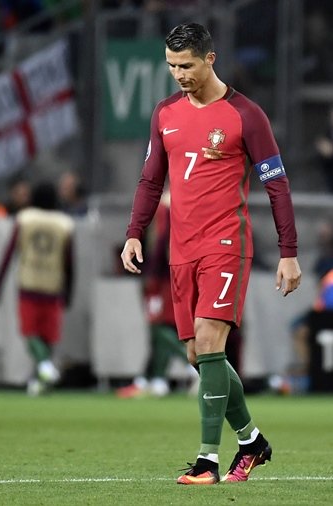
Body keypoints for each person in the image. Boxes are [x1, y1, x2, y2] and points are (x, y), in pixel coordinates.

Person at [120, 23, 302, 485]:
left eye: (186, 65)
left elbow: (276, 184)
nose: (178, 74)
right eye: (171, 66)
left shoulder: (246, 115)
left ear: (210, 59)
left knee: (208, 343)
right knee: (198, 356)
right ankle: (252, 441)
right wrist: (135, 232)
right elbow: (149, 180)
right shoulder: (164, 114)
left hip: (226, 244)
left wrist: (288, 251)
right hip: (181, 248)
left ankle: (207, 461)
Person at [0, 182, 74, 396]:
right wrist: (69, 290)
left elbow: (10, 252)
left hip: (29, 283)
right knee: (48, 336)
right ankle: (41, 378)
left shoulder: (25, 218)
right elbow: (69, 262)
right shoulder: (64, 223)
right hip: (53, 285)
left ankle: (44, 370)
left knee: (30, 332)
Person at [116, 191, 195, 398]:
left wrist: (152, 273)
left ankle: (195, 367)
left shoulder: (167, 204)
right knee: (166, 326)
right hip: (180, 272)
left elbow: (162, 241)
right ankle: (156, 379)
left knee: (158, 325)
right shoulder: (184, 199)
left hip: (166, 276)